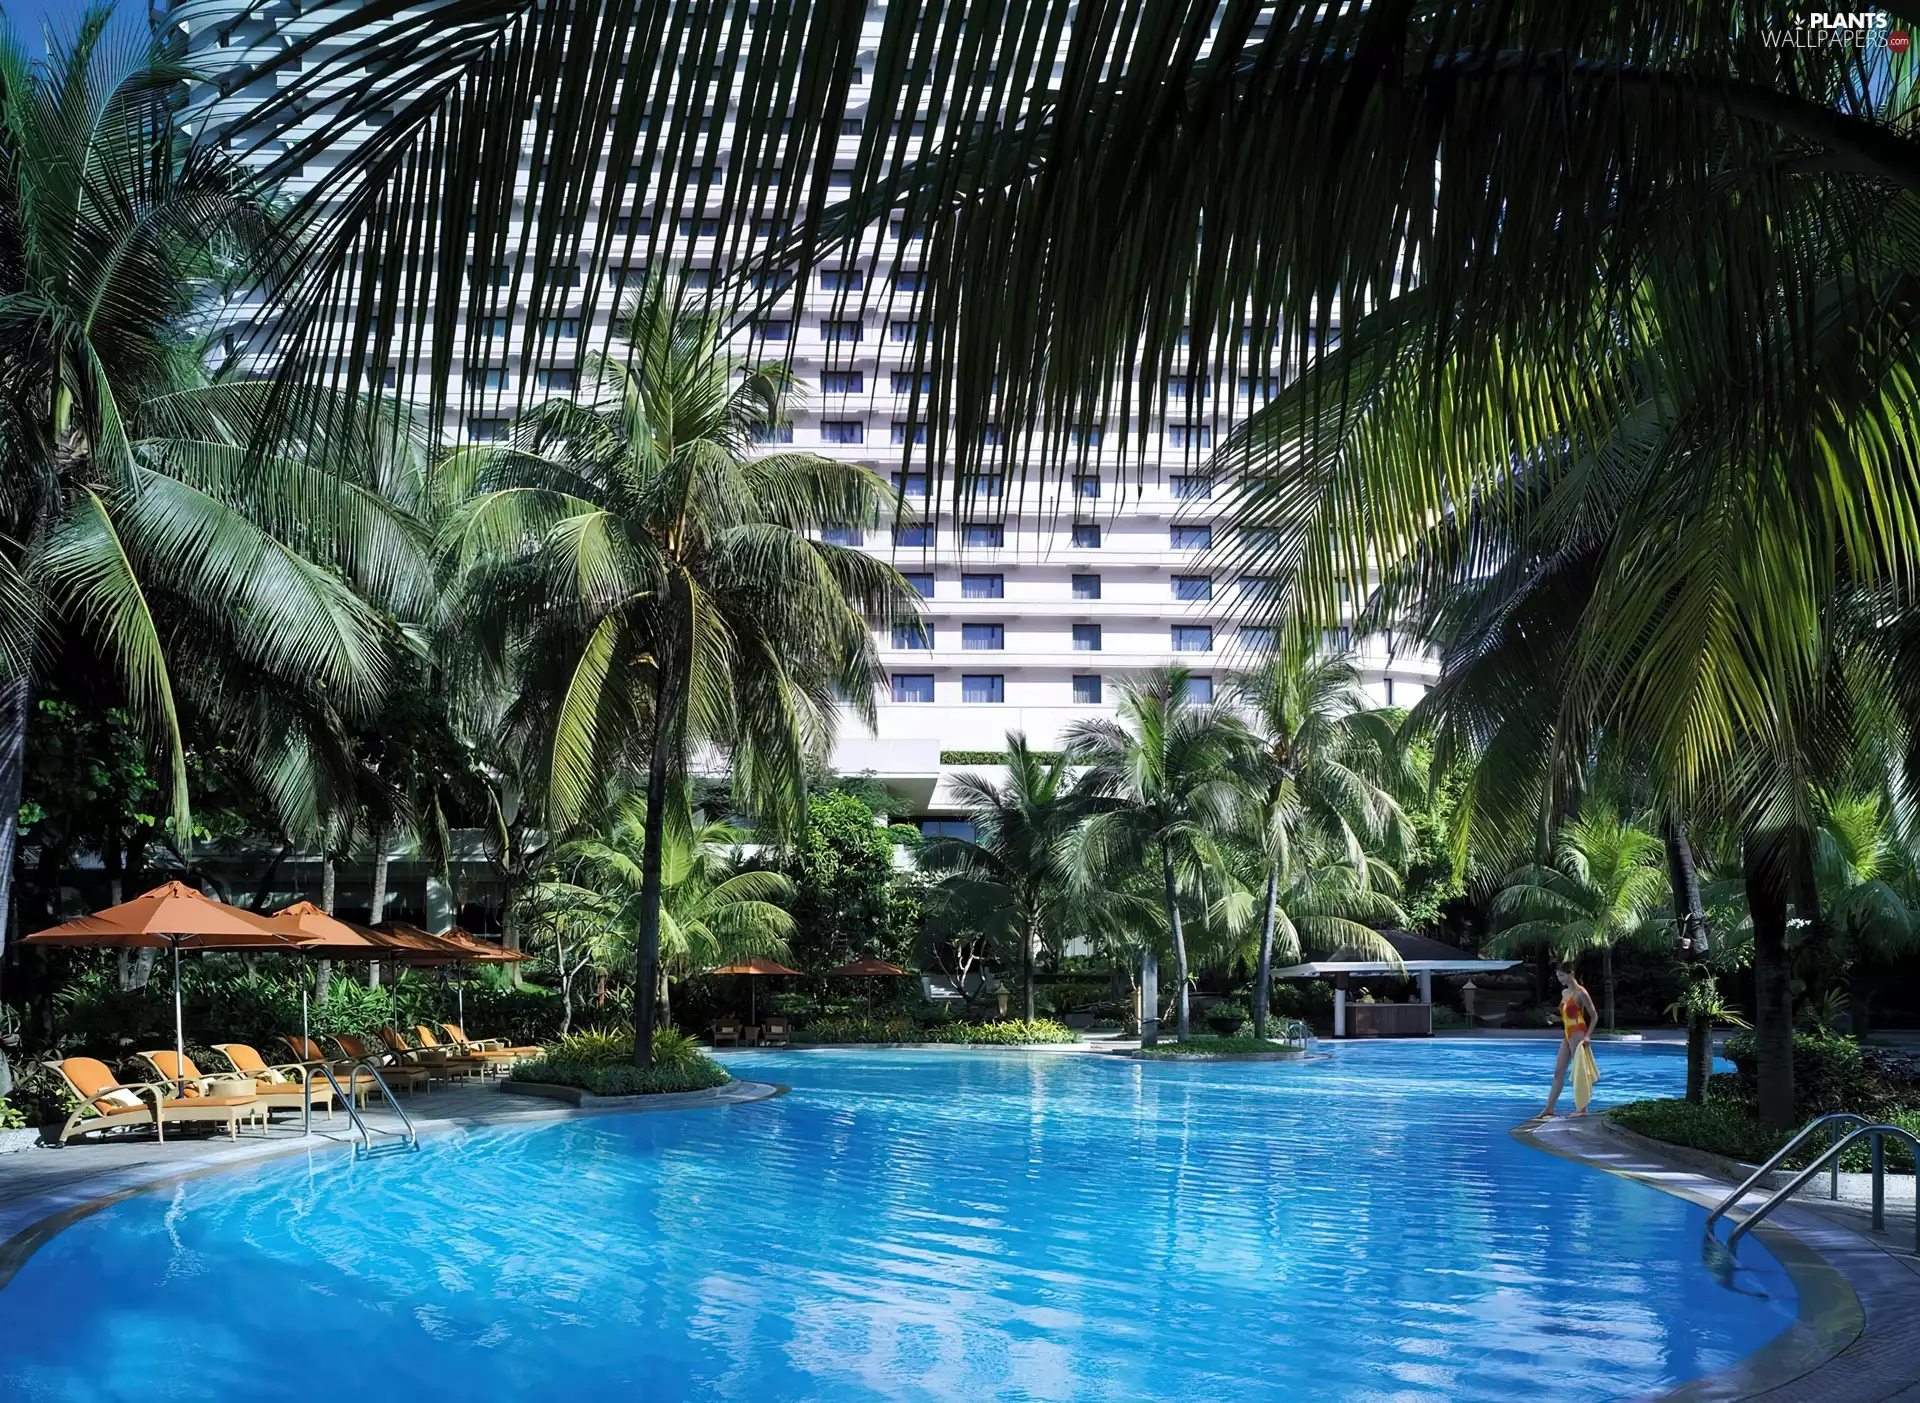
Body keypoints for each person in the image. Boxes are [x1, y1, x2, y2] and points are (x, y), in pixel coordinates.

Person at [1538, 961, 1600, 1119]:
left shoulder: (1581, 993)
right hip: (1567, 1033)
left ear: (1571, 973)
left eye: (1561, 975)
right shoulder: (1565, 993)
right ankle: (1549, 1108)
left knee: (1579, 1071)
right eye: (1558, 976)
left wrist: (1587, 1036)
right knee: (1558, 1071)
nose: (1560, 979)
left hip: (1578, 1032)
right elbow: (1567, 1015)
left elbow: (1594, 1016)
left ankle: (1582, 1109)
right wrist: (1556, 1018)